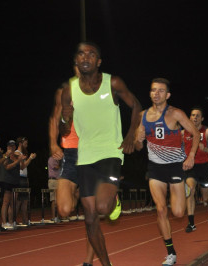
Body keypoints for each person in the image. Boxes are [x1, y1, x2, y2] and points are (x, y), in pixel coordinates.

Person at [61, 41, 142, 266]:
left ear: (98, 61)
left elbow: (136, 105)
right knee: (89, 219)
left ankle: (113, 198)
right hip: (85, 155)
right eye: (81, 54)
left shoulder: (112, 82)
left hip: (110, 152)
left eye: (91, 54)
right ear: (76, 61)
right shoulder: (69, 91)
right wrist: (64, 119)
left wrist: (129, 136)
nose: (85, 57)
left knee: (103, 208)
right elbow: (64, 130)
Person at [135, 78, 200, 266]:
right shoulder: (141, 116)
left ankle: (185, 191)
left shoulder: (176, 114)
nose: (157, 93)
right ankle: (171, 252)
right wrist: (138, 140)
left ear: (168, 95)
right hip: (155, 168)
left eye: (161, 91)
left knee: (179, 213)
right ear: (150, 93)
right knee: (161, 210)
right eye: (153, 90)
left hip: (175, 166)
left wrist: (191, 156)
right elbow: (139, 146)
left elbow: (195, 133)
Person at [49, 74, 95, 265]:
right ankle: (77, 192)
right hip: (69, 155)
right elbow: (54, 118)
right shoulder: (63, 94)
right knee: (64, 209)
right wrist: (53, 144)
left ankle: (89, 260)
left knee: (90, 214)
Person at [183, 107, 208, 232]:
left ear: (202, 118)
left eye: (198, 115)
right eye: (193, 115)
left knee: (205, 197)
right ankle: (191, 224)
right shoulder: (184, 133)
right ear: (189, 117)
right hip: (190, 167)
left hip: (204, 167)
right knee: (191, 189)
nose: (195, 117)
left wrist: (206, 150)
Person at [2, 140, 26, 228]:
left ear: (15, 147)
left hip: (16, 181)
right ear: (7, 147)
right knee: (6, 202)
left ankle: (11, 221)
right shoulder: (5, 156)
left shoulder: (17, 156)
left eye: (13, 146)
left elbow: (22, 167)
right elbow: (7, 167)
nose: (11, 148)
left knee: (13, 203)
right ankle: (4, 222)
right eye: (9, 146)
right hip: (8, 181)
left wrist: (22, 160)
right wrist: (17, 161)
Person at [14, 137, 36, 225]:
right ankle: (13, 220)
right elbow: (21, 167)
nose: (26, 146)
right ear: (20, 143)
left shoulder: (22, 153)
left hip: (24, 177)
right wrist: (30, 158)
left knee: (25, 200)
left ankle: (25, 220)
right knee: (18, 200)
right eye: (25, 144)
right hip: (19, 177)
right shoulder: (17, 153)